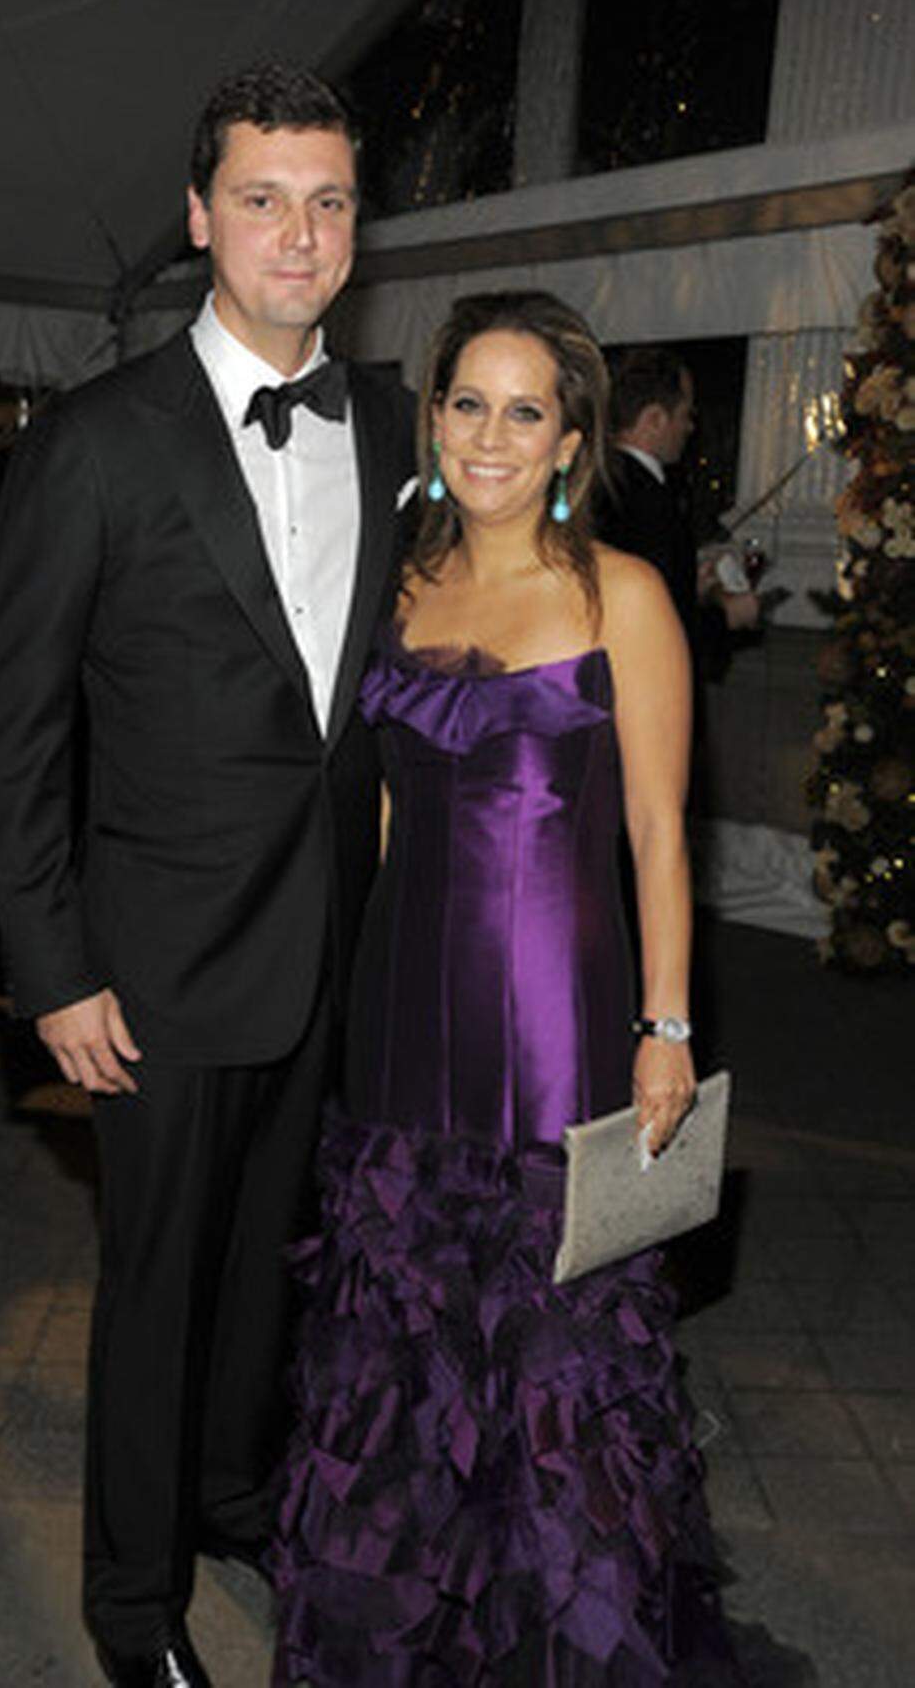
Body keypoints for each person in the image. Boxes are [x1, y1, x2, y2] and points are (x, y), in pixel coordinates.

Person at [0, 64, 414, 1688]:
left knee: (270, 1266)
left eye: (329, 201)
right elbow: (15, 734)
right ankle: (133, 1600)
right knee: (157, 1286)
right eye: (262, 198)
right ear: (199, 219)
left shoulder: (395, 426)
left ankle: (235, 1497)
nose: (299, 232)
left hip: (331, 943)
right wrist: (53, 966)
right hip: (152, 963)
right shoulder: (97, 441)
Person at [271, 293, 741, 1684]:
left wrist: (667, 1026)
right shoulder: (397, 588)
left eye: (524, 410)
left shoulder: (623, 595)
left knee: (552, 1347)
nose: (490, 435)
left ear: (571, 440)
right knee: (398, 1332)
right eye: (467, 403)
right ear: (433, 420)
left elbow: (661, 832)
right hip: (397, 1010)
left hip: (559, 1018)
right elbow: (377, 818)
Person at [595, 345, 759, 663]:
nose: (690, 428)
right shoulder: (648, 501)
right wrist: (728, 617)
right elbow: (653, 630)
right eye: (686, 415)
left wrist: (688, 586)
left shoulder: (597, 483)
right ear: (654, 419)